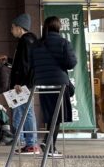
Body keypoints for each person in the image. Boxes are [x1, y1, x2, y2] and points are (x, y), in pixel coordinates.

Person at [30, 16, 77, 157]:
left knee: (50, 114)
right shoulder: (63, 43)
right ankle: (49, 145)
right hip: (59, 83)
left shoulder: (36, 45)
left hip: (42, 84)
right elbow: (71, 63)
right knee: (57, 116)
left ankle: (49, 143)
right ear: (58, 27)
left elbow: (32, 64)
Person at [10, 14, 40, 154]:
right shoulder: (32, 40)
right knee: (26, 112)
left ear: (19, 27)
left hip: (24, 84)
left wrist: (19, 83)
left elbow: (24, 64)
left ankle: (31, 144)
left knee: (27, 112)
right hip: (29, 82)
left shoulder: (25, 41)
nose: (11, 30)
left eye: (13, 27)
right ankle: (30, 143)